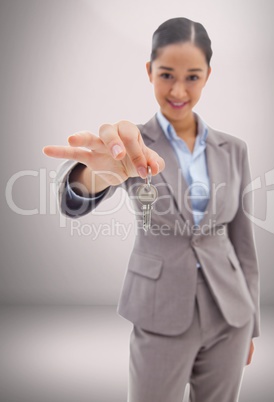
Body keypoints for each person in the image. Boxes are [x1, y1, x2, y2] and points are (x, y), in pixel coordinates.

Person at [43, 17, 260, 402]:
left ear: (208, 75)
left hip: (231, 316)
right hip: (160, 313)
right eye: (166, 75)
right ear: (149, 71)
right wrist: (92, 174)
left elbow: (243, 244)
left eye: (193, 76)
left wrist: (252, 324)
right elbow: (75, 198)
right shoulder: (134, 144)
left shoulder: (235, 150)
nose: (178, 90)